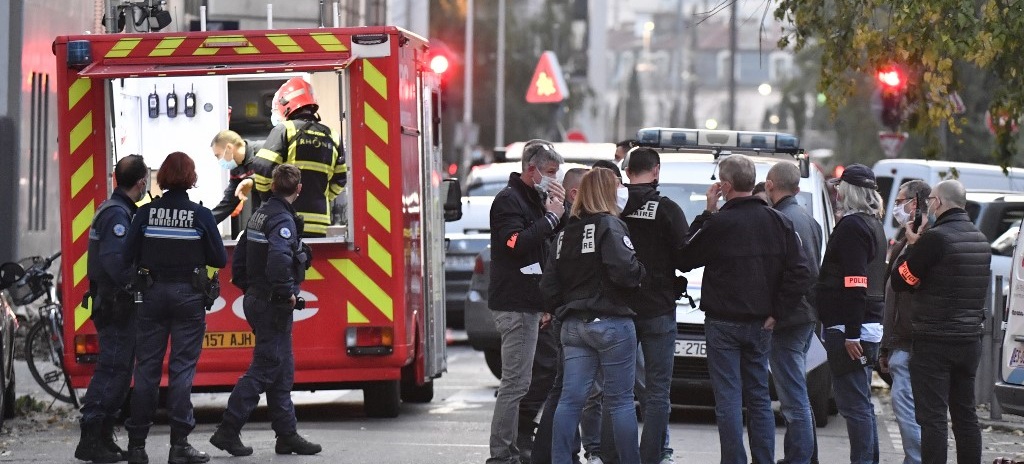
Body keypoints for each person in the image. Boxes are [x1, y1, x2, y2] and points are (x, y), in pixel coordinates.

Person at [677, 154, 812, 464]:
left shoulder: (719, 223)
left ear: (725, 186)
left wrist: (706, 213)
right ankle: (763, 459)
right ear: (754, 183)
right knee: (759, 398)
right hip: (761, 323)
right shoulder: (779, 221)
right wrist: (778, 311)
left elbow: (684, 257)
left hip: (723, 323)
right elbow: (800, 271)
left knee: (728, 400)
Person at [209, 164, 321, 457]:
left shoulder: (258, 215)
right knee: (264, 369)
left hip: (259, 299)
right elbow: (279, 260)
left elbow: (241, 255)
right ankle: (228, 430)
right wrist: (286, 294)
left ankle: (287, 435)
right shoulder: (282, 219)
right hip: (273, 303)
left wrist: (250, 289)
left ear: (272, 186)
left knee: (282, 370)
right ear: (298, 189)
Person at [123, 152, 228, 464]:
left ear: (163, 177)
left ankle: (137, 446)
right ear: (191, 178)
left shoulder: (144, 214)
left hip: (151, 294)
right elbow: (219, 259)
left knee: (146, 370)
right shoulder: (201, 215)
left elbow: (128, 253)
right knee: (182, 368)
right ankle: (179, 446)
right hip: (188, 296)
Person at [540, 167, 646, 464]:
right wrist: (641, 272)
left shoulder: (563, 234)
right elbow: (626, 273)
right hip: (611, 322)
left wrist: (565, 306)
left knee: (571, 399)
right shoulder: (610, 226)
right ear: (606, 193)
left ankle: (561, 459)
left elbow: (548, 286)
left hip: (573, 325)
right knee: (622, 401)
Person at [890, 179, 991, 464]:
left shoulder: (936, 238)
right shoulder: (980, 238)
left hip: (934, 340)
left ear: (940, 202)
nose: (929, 205)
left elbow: (901, 281)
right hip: (969, 339)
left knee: (932, 418)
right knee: (965, 415)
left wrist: (911, 247)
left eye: (931, 199)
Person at [487, 140, 565, 464]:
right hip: (515, 305)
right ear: (530, 168)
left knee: (521, 382)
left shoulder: (534, 198)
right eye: (549, 172)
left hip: (530, 303)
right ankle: (502, 454)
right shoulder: (509, 200)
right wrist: (550, 219)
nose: (553, 179)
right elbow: (515, 243)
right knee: (515, 385)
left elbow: (541, 253)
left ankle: (509, 450)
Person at [75, 155, 149, 464]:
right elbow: (116, 263)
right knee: (113, 369)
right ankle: (91, 437)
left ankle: (103, 436)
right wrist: (138, 284)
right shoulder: (117, 215)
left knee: (118, 371)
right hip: (116, 304)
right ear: (141, 183)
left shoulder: (116, 210)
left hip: (113, 303)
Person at [620, 147, 689, 464]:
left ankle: (614, 455)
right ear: (656, 170)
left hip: (619, 308)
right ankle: (655, 455)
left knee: (617, 391)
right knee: (659, 391)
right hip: (659, 308)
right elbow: (686, 258)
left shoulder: (614, 206)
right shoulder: (667, 209)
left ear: (627, 171)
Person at [816, 164, 886, 464]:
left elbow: (855, 281)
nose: (836, 191)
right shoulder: (873, 225)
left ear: (849, 191)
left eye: (839, 187)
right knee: (861, 404)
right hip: (866, 322)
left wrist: (851, 333)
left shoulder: (852, 227)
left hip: (850, 326)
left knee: (854, 405)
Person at [765, 162, 823, 464]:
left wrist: (777, 311)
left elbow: (794, 274)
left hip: (789, 318)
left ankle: (799, 459)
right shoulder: (809, 220)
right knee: (798, 391)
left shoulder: (780, 220)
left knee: (792, 399)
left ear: (770, 185)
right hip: (805, 316)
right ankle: (805, 456)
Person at [532, 167, 587, 464]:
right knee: (568, 392)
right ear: (576, 193)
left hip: (563, 313)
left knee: (565, 389)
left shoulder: (568, 222)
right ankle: (558, 454)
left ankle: (556, 453)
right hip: (571, 316)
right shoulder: (570, 225)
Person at [252, 77, 347, 237]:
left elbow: (262, 167)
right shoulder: (332, 136)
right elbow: (340, 180)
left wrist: (269, 198)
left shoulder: (285, 130)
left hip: (286, 220)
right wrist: (321, 197)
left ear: (285, 105)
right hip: (319, 224)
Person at [879, 180, 931, 464]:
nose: (896, 206)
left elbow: (905, 284)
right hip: (902, 342)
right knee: (908, 409)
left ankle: (918, 459)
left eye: (900, 200)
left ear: (915, 203)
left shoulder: (922, 241)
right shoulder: (905, 239)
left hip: (911, 342)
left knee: (908, 409)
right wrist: (887, 347)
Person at [209, 130, 263, 225]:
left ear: (229, 148)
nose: (219, 160)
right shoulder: (237, 167)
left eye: (218, 155)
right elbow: (229, 201)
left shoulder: (264, 150)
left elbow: (277, 176)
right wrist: (204, 222)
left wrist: (252, 181)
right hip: (261, 213)